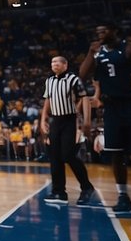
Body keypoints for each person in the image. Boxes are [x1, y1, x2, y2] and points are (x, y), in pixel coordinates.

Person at [79, 20, 131, 215]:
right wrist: (90, 53)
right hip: (112, 108)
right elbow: (82, 75)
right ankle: (123, 197)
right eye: (98, 31)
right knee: (116, 153)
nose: (100, 34)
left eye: (103, 30)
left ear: (115, 31)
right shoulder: (97, 53)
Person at [39, 55, 96, 205]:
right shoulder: (49, 80)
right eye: (52, 62)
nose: (54, 64)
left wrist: (87, 121)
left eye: (57, 62)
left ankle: (87, 187)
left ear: (65, 65)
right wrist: (43, 118)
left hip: (69, 119)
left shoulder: (74, 79)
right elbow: (48, 100)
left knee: (68, 155)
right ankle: (59, 192)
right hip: (55, 120)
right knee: (54, 156)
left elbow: (84, 98)